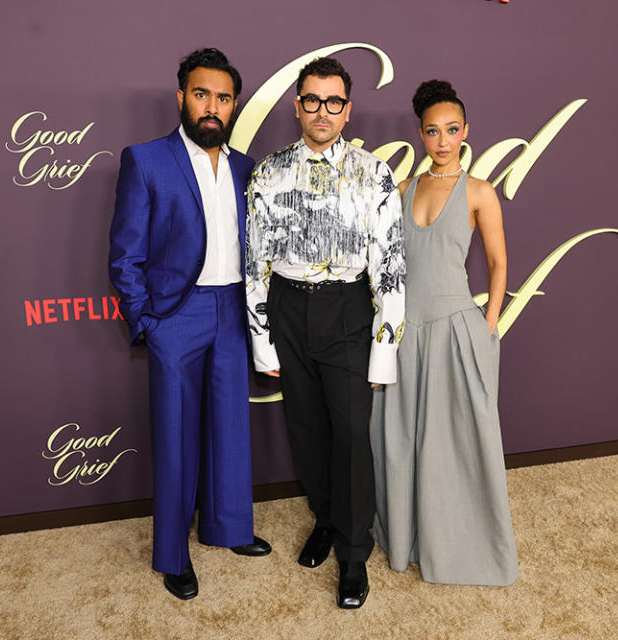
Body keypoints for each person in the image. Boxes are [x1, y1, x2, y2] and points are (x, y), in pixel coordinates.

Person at [108, 48, 271, 601]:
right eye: (201, 94)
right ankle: (173, 555)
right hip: (177, 314)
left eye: (223, 98)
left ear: (232, 105)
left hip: (233, 310)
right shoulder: (146, 160)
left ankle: (229, 527)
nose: (212, 106)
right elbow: (125, 254)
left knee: (230, 426)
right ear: (181, 97)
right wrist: (147, 321)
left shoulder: (248, 167)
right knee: (177, 436)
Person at [245, 57, 406, 609]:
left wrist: (384, 353)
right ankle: (325, 518)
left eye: (333, 101)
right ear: (297, 105)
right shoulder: (267, 173)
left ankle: (354, 553)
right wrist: (262, 338)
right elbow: (256, 264)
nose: (322, 111)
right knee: (307, 429)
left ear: (348, 109)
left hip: (347, 310)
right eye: (311, 100)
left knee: (352, 436)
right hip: (287, 310)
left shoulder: (375, 174)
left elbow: (390, 268)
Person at [370, 80, 519, 586]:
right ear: (420, 134)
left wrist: (489, 325)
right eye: (432, 131)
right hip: (407, 332)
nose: (442, 140)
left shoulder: (480, 191)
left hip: (458, 332)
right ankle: (406, 536)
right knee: (399, 439)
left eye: (451, 130)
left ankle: (459, 544)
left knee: (455, 442)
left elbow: (498, 264)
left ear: (465, 132)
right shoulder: (404, 189)